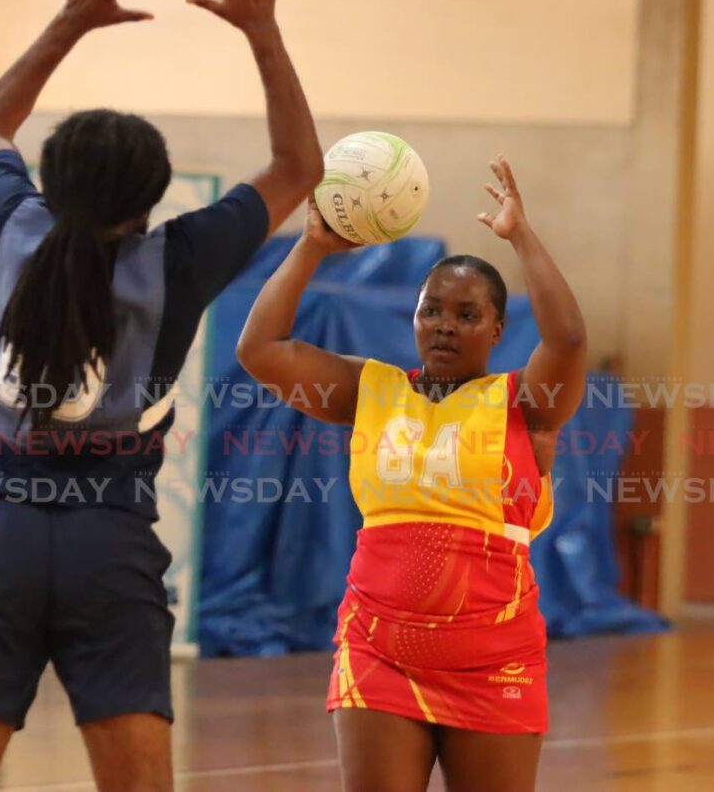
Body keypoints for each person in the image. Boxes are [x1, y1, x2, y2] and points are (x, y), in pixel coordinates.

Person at [0, 0, 322, 792]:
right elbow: (299, 164)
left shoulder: (11, 227)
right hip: (113, 550)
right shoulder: (179, 259)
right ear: (152, 196)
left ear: (51, 186)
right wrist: (263, 31)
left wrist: (70, 20)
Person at [236, 156, 587, 792]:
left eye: (467, 314)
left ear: (498, 329)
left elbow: (566, 339)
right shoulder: (369, 389)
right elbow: (259, 351)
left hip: (494, 657)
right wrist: (314, 245)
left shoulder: (527, 407)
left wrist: (520, 236)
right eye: (432, 310)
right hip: (378, 646)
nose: (445, 325)